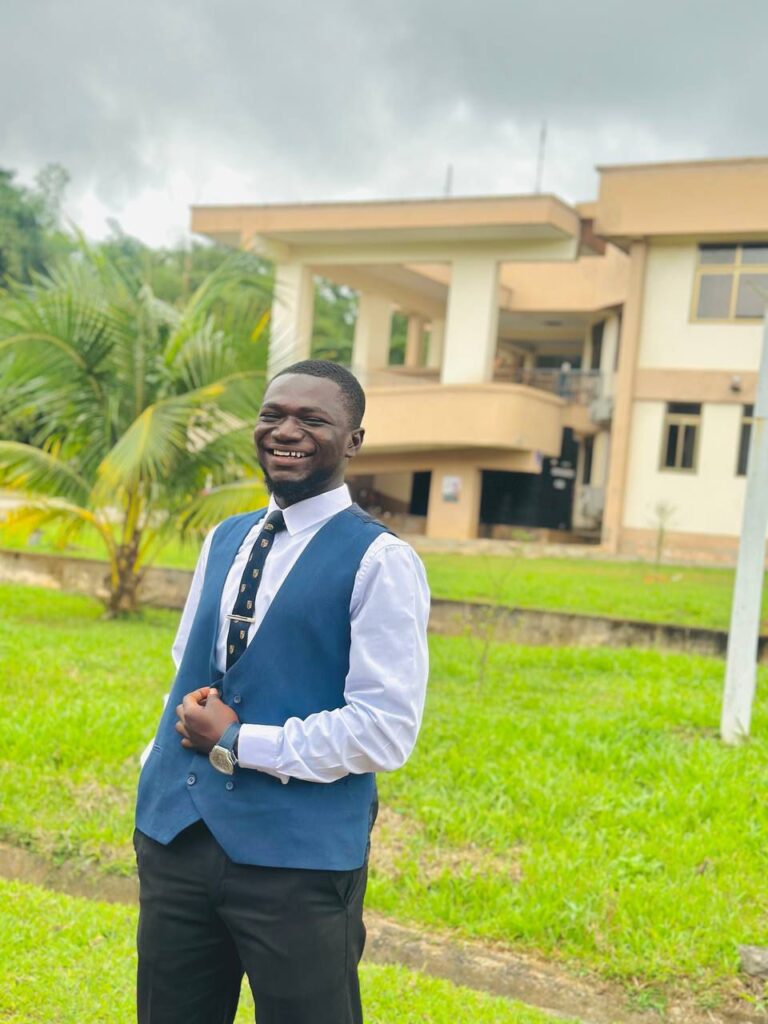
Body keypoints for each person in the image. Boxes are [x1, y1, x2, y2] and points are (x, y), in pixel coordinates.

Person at [133, 359, 430, 1024]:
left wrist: (240, 742)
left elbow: (385, 729)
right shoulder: (226, 538)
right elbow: (189, 666)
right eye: (273, 415)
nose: (286, 430)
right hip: (177, 839)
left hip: (297, 862)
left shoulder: (381, 562)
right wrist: (155, 774)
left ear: (353, 440)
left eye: (312, 419)